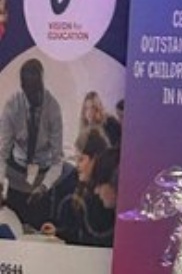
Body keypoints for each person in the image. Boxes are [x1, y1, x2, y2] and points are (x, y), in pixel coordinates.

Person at [0, 58, 63, 228]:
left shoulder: (53, 108)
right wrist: (0, 183)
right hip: (16, 176)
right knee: (13, 230)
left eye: (39, 89)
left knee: (38, 232)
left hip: (42, 179)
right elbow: (2, 154)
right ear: (23, 88)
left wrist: (44, 187)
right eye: (32, 92)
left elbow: (58, 161)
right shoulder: (12, 106)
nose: (37, 97)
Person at [41, 127, 115, 246]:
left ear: (95, 159)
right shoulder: (83, 188)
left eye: (81, 159)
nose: (77, 166)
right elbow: (80, 232)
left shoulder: (106, 195)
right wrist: (58, 231)